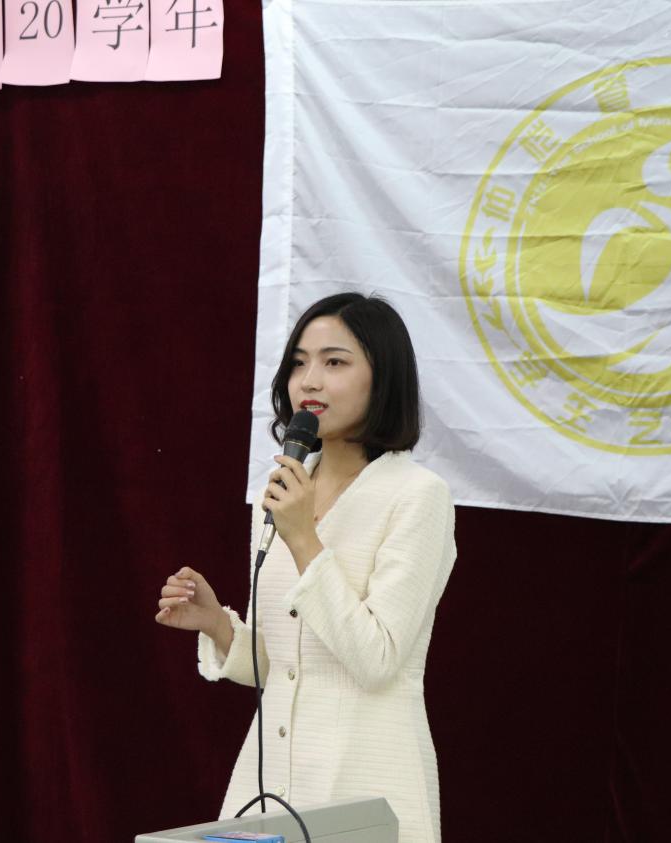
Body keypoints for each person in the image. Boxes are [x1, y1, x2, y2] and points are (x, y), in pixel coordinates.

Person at [153, 293, 457, 842]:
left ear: (383, 377)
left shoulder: (417, 495)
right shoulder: (280, 494)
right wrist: (218, 625)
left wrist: (304, 539)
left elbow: (376, 659)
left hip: (366, 780)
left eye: (334, 362)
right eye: (299, 363)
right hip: (271, 781)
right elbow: (282, 666)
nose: (309, 381)